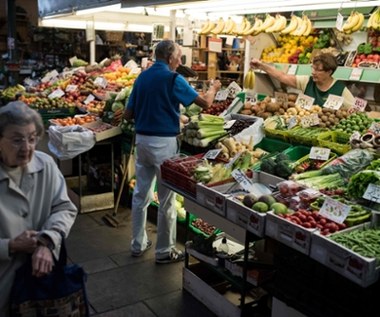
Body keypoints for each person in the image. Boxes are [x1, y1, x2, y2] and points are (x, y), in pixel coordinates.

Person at [124, 39, 221, 264]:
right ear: (169, 58)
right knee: (167, 199)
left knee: (141, 195)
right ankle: (164, 251)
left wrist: (153, 110)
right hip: (164, 145)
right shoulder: (172, 78)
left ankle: (137, 244)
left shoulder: (142, 77)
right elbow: (205, 104)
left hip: (142, 142)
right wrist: (214, 88)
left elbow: (128, 115)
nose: (180, 61)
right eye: (179, 57)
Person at [0, 101, 78, 316]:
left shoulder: (46, 164)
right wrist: (10, 246)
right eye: (17, 140)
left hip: (41, 287)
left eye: (32, 139)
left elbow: (64, 207)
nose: (27, 148)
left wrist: (47, 240)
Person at [250, 52, 355, 109]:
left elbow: (356, 110)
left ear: (329, 72)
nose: (313, 72)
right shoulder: (307, 81)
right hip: (305, 127)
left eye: (318, 70)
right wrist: (261, 66)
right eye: (313, 68)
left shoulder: (341, 89)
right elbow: (283, 76)